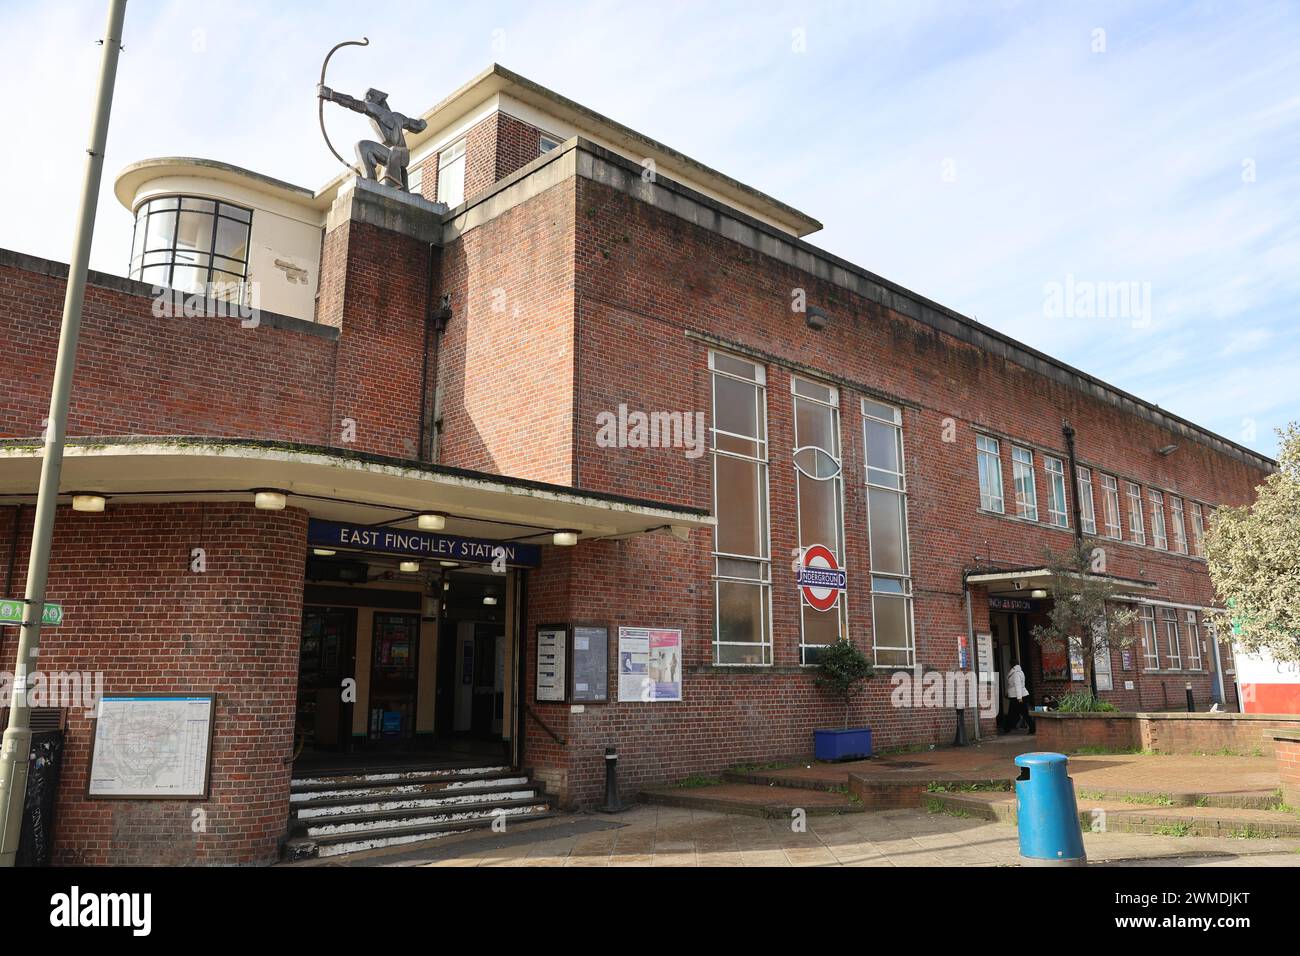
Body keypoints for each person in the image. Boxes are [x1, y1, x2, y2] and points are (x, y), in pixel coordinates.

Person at [318, 85, 428, 191]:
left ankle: (370, 178)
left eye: (368, 98)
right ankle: (372, 178)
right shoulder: (398, 117)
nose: (366, 101)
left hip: (397, 155)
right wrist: (422, 124)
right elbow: (417, 126)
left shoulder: (376, 109)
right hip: (402, 155)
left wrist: (332, 95)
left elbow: (354, 103)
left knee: (362, 146)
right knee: (364, 146)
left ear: (375, 100)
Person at [1005, 663, 1032, 733]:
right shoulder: (1020, 671)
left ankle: (1032, 727)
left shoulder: (1016, 673)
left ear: (1011, 665)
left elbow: (1018, 685)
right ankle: (1007, 727)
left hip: (1017, 696)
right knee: (1015, 712)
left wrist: (1019, 698)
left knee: (1022, 713)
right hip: (1017, 695)